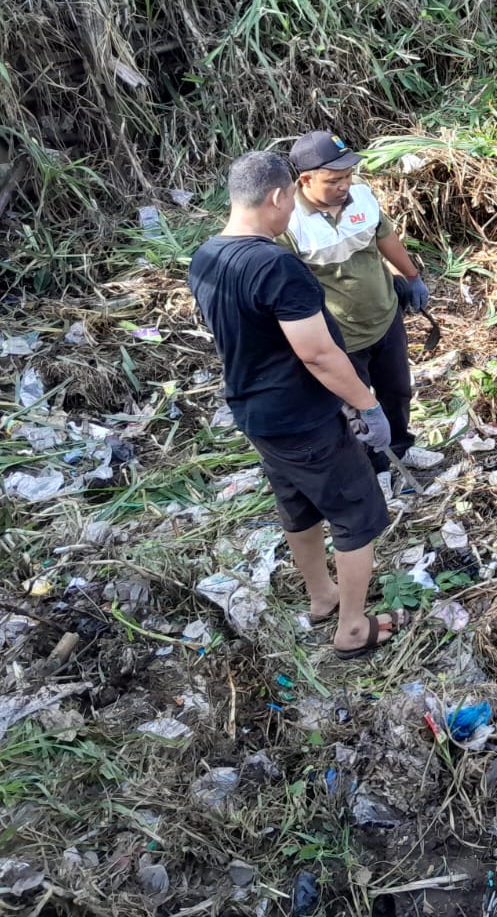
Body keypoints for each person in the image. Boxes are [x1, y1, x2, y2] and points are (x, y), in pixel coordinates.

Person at [189, 152, 404, 660]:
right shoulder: (275, 264)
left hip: (257, 414)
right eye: (289, 201)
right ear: (278, 196)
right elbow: (317, 351)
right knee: (358, 511)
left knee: (300, 507)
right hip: (302, 416)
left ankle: (321, 595)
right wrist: (367, 405)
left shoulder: (206, 256)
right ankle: (352, 627)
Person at [279, 131, 439, 486]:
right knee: (359, 407)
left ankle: (402, 444)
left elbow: (385, 238)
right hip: (340, 335)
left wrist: (412, 277)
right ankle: (376, 469)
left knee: (396, 390)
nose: (344, 185)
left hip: (385, 316)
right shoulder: (289, 223)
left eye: (348, 176)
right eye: (334, 180)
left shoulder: (361, 196)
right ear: (305, 180)